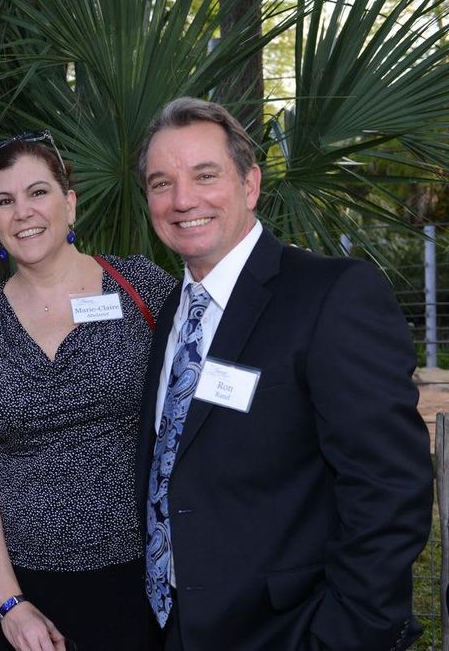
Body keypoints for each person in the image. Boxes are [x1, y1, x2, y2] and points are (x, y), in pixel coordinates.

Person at [137, 97, 433, 651]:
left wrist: (344, 637)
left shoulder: (331, 295)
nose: (182, 200)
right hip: (179, 626)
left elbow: (391, 489)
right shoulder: (173, 313)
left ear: (250, 185)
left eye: (206, 175)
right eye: (160, 183)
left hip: (292, 631)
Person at [0, 130, 176, 651]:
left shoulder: (143, 288)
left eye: (38, 192)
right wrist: (9, 604)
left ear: (70, 203)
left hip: (140, 579)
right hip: (22, 587)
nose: (22, 211)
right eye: (5, 201)